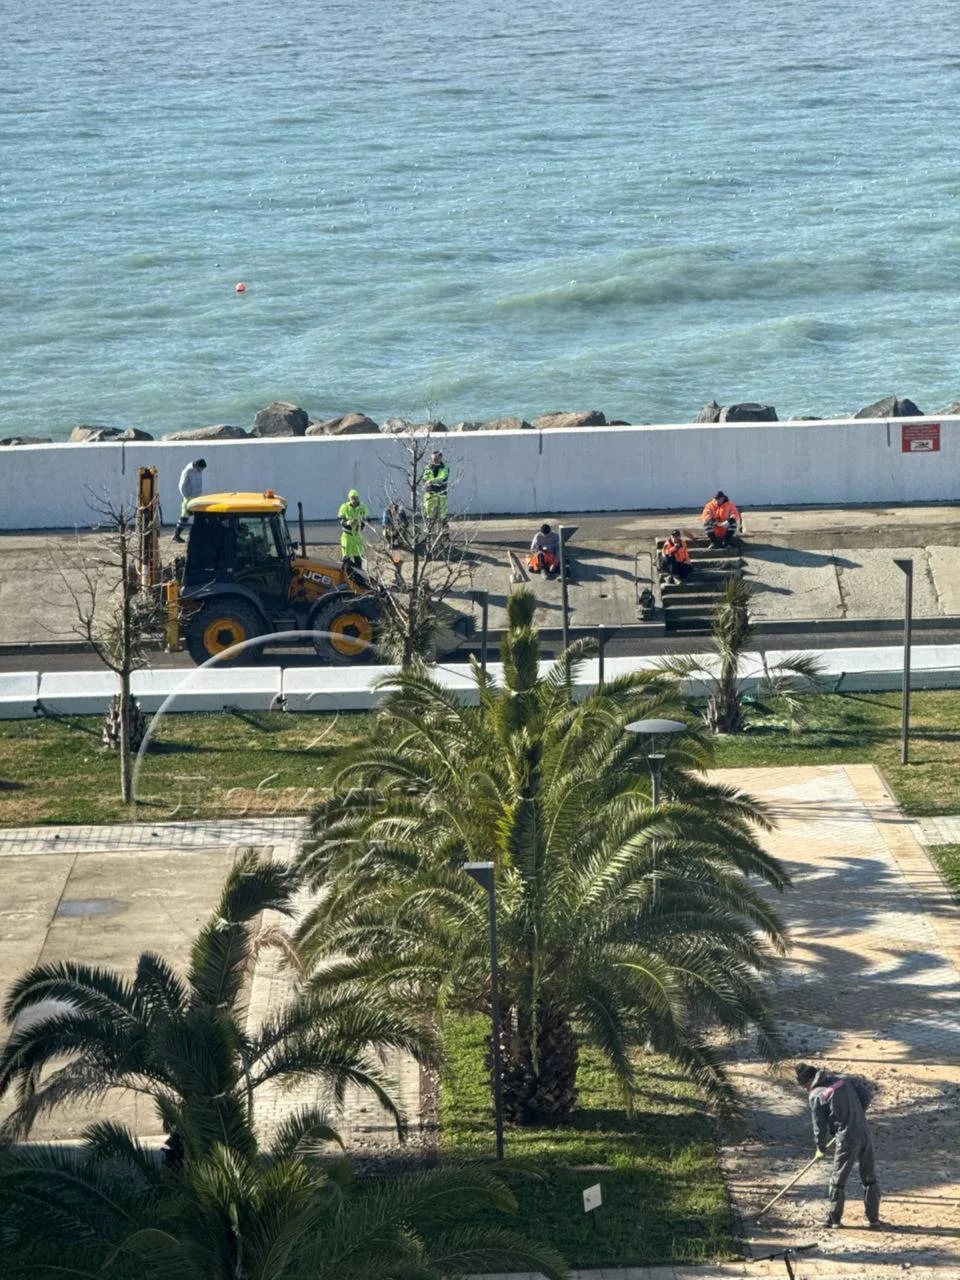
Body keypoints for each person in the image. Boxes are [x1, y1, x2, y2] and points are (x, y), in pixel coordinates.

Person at [795, 1061, 881, 1229]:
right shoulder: (842, 1080)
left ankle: (834, 1219)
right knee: (869, 1177)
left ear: (809, 1081)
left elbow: (819, 1125)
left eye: (805, 1086)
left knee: (838, 1180)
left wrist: (820, 1146)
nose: (805, 1090)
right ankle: (873, 1219)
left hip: (846, 1136)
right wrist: (856, 1114)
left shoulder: (816, 1095)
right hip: (864, 1131)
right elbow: (866, 1094)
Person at [173, 458, 207, 542]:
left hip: (197, 497)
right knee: (185, 516)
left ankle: (193, 536)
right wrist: (187, 496)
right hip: (188, 497)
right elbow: (182, 486)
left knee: (198, 516)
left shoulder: (199, 471)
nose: (201, 470)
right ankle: (177, 535)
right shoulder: (187, 471)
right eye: (201, 468)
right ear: (196, 465)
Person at [338, 488, 368, 569]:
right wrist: (348, 523)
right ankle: (346, 572)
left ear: (358, 497)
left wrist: (360, 522)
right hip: (347, 536)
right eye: (352, 498)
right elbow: (341, 520)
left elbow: (366, 520)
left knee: (358, 557)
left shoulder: (362, 507)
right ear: (349, 498)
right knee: (346, 558)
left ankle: (358, 572)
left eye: (355, 498)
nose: (354, 500)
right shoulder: (344, 507)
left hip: (357, 536)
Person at [423, 450, 449, 525]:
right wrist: (429, 481)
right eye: (433, 458)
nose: (434, 460)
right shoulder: (428, 467)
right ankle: (428, 529)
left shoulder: (445, 467)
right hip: (430, 492)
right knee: (428, 513)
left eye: (436, 458)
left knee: (442, 515)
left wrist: (431, 481)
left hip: (441, 492)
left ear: (440, 458)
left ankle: (444, 530)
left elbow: (443, 477)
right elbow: (425, 478)